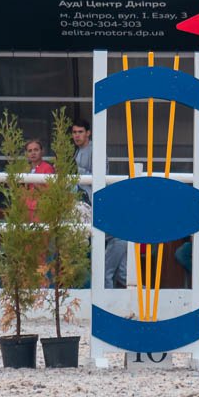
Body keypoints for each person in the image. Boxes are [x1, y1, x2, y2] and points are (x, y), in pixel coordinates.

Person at [72, 117, 126, 288]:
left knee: (109, 273)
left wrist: (75, 171)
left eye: (80, 132)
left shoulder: (95, 150)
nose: (77, 135)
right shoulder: (77, 151)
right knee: (122, 275)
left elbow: (100, 177)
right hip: (84, 205)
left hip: (96, 205)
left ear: (88, 133)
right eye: (74, 132)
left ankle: (107, 291)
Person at [24, 138, 55, 223]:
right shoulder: (26, 168)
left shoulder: (47, 168)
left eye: (36, 150)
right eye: (30, 151)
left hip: (40, 208)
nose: (33, 153)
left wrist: (35, 182)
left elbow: (50, 191)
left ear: (42, 151)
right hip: (26, 207)